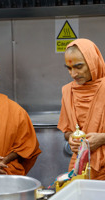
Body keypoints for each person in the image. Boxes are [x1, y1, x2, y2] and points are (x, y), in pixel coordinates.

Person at [58, 38, 105, 180]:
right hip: (81, 167)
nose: (73, 74)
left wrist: (102, 139)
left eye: (79, 67)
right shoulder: (68, 91)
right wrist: (71, 138)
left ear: (92, 62)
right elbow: (67, 131)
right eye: (69, 68)